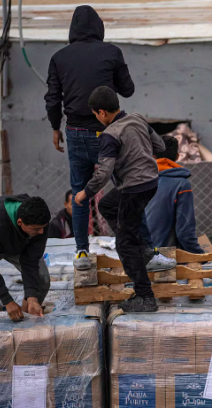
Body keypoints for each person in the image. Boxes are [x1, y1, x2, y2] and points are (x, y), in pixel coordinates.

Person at [44, 5, 135, 265]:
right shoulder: (111, 52)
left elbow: (52, 98)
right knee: (126, 188)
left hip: (74, 132)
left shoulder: (59, 57)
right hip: (108, 133)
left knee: (79, 192)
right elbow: (127, 90)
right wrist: (107, 79)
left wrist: (55, 127)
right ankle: (132, 245)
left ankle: (82, 252)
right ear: (99, 27)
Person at [74, 86, 165, 313]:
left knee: (124, 244)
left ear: (102, 112)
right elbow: (161, 147)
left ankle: (145, 296)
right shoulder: (138, 119)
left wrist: (84, 193)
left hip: (133, 189)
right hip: (151, 182)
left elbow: (103, 173)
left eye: (96, 114)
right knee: (108, 205)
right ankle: (140, 247)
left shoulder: (110, 135)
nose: (97, 118)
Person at [0, 195, 50, 320]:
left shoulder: (39, 221)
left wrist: (32, 297)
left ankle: (24, 315)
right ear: (20, 222)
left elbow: (31, 261)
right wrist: (7, 301)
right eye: (37, 229)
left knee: (41, 279)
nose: (41, 232)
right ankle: (13, 309)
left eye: (43, 227)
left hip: (16, 244)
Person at [144, 135, 203, 254]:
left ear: (152, 157)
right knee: (205, 246)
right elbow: (185, 233)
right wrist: (204, 257)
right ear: (177, 156)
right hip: (164, 256)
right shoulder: (181, 184)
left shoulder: (136, 182)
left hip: (137, 254)